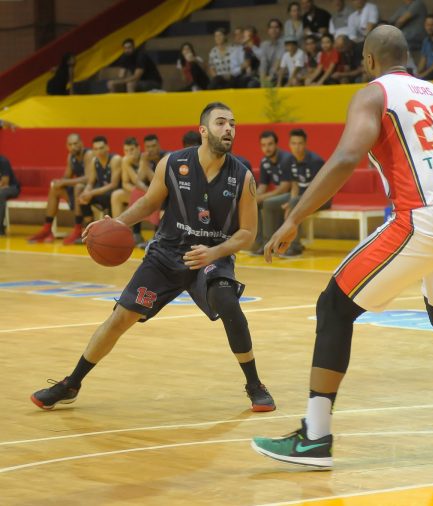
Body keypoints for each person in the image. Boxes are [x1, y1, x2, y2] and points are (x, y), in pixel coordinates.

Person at [251, 25, 433, 469]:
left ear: (369, 60)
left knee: (333, 307)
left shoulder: (373, 94)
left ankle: (315, 435)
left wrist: (294, 217)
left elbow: (346, 157)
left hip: (424, 215)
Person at [30, 102, 276, 413]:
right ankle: (71, 384)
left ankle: (254, 384)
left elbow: (248, 233)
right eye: (221, 123)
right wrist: (116, 224)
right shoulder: (172, 164)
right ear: (203, 130)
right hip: (167, 254)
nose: (228, 128)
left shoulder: (242, 177)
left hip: (211, 255)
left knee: (227, 301)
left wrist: (213, 252)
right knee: (121, 317)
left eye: (233, 124)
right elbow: (149, 203)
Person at [262, 129, 327, 258]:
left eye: (300, 143)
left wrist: (292, 203)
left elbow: (318, 189)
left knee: (295, 202)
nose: (297, 147)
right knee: (268, 203)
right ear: (289, 144)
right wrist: (291, 200)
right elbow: (295, 185)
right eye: (294, 143)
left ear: (305, 144)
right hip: (299, 197)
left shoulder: (315, 161)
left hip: (321, 198)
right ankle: (269, 244)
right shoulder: (289, 160)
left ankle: (295, 247)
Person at [28, 133, 92, 243]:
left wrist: (64, 182)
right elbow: (67, 176)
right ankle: (47, 229)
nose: (73, 147)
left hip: (91, 191)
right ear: (67, 146)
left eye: (75, 144)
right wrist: (59, 182)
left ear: (81, 143)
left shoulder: (88, 154)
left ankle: (78, 230)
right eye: (70, 144)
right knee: (55, 189)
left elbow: (88, 178)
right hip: (78, 191)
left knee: (79, 187)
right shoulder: (71, 157)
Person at [70, 136, 123, 245]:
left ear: (107, 147)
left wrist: (91, 192)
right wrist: (86, 193)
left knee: (111, 196)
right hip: (101, 192)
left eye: (101, 148)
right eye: (96, 149)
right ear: (93, 150)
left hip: (114, 193)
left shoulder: (115, 159)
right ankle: (89, 232)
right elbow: (90, 182)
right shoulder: (94, 161)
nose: (99, 151)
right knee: (83, 199)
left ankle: (112, 235)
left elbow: (114, 184)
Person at [251, 130, 293, 254]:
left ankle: (268, 244)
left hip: (293, 195)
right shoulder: (265, 162)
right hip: (280, 195)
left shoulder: (286, 159)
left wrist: (262, 197)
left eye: (270, 144)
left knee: (268, 203)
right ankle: (258, 242)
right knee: (254, 203)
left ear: (276, 144)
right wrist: (254, 197)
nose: (267, 148)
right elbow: (262, 187)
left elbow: (284, 188)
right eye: (263, 145)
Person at [110, 137, 143, 244]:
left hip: (150, 191)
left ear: (138, 148)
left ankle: (137, 233)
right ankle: (118, 232)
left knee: (136, 196)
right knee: (116, 195)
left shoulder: (144, 159)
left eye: (132, 149)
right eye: (126, 150)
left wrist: (127, 165)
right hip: (137, 192)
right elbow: (125, 183)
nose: (129, 153)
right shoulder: (125, 160)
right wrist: (135, 192)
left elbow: (139, 181)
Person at [259, 19, 286, 86]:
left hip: (282, 75)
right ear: (268, 30)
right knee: (252, 84)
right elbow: (263, 63)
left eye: (276, 27)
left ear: (281, 30)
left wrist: (270, 77)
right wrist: (262, 79)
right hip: (269, 76)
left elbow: (278, 62)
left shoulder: (285, 43)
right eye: (271, 27)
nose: (274, 30)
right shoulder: (264, 45)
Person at [0, 155, 20, 236]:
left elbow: (5, 183)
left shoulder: (3, 161)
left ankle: (0, 228)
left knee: (1, 194)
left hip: (11, 187)